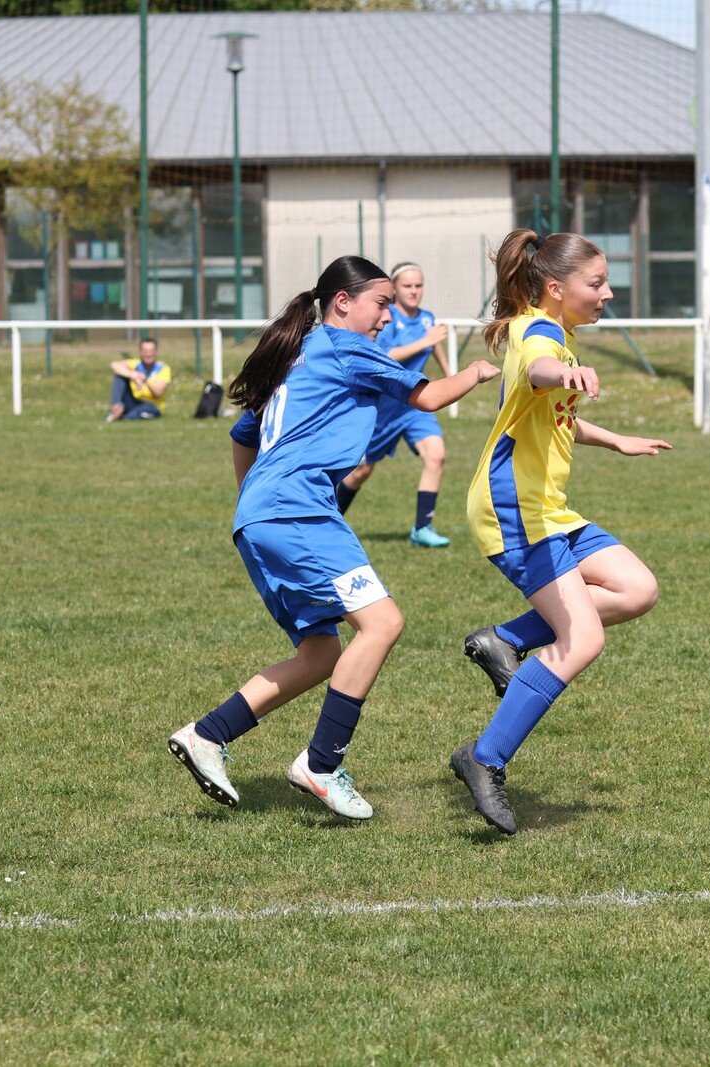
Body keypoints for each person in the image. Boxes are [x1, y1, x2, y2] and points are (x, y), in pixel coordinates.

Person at [166, 256, 499, 820]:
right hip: (297, 512)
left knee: (321, 653)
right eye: (381, 304)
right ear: (343, 302)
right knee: (383, 623)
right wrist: (478, 372)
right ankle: (320, 766)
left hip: (261, 519)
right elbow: (430, 396)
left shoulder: (298, 353)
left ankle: (207, 735)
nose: (387, 317)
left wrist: (254, 501)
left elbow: (243, 436)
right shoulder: (345, 346)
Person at [449, 229, 671, 835]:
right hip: (513, 510)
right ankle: (484, 758)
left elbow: (554, 409)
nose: (608, 293)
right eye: (596, 283)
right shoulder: (538, 335)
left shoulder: (559, 335)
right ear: (555, 288)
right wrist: (564, 374)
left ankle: (505, 638)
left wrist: (616, 439)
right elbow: (540, 370)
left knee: (636, 589)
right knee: (582, 640)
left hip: (548, 509)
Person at [333, 262, 456, 547]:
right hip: (382, 408)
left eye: (418, 285)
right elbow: (383, 356)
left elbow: (433, 344)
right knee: (361, 471)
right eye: (407, 286)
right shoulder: (386, 318)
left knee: (436, 455)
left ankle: (422, 528)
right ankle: (330, 521)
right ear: (395, 290)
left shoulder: (426, 319)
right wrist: (425, 341)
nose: (414, 291)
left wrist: (449, 372)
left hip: (413, 405)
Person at [106, 338, 170, 421]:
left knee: (141, 412)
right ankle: (116, 407)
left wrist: (145, 379)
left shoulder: (162, 368)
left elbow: (158, 392)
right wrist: (133, 375)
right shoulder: (136, 364)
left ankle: (121, 417)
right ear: (140, 352)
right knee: (119, 376)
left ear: (156, 352)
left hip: (151, 405)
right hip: (134, 401)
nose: (148, 354)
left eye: (151, 351)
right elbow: (114, 365)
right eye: (145, 351)